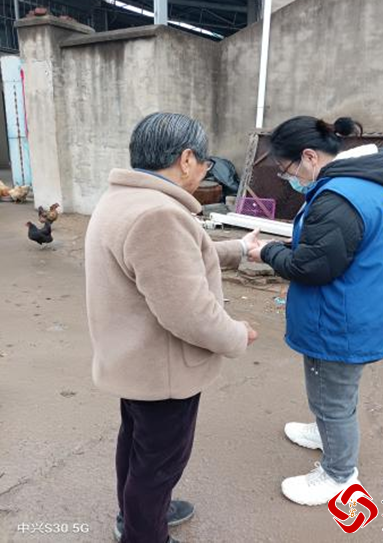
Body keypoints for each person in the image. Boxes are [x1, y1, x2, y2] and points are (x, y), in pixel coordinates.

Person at [85, 112, 259, 543]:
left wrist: (239, 248)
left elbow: (175, 261)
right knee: (158, 466)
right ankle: (144, 532)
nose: (204, 172)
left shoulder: (124, 199)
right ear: (186, 159)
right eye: (205, 164)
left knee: (137, 447)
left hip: (134, 360)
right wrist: (236, 335)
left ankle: (135, 516)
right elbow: (189, 313)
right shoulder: (159, 214)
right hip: (163, 372)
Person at [248, 115, 383, 506]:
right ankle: (324, 431)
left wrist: (265, 251)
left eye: (286, 170)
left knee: (331, 396)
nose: (288, 178)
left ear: (309, 156)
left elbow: (311, 267)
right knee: (337, 389)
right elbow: (335, 248)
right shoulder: (375, 178)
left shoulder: (339, 197)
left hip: (344, 317)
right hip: (371, 303)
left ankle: (338, 474)